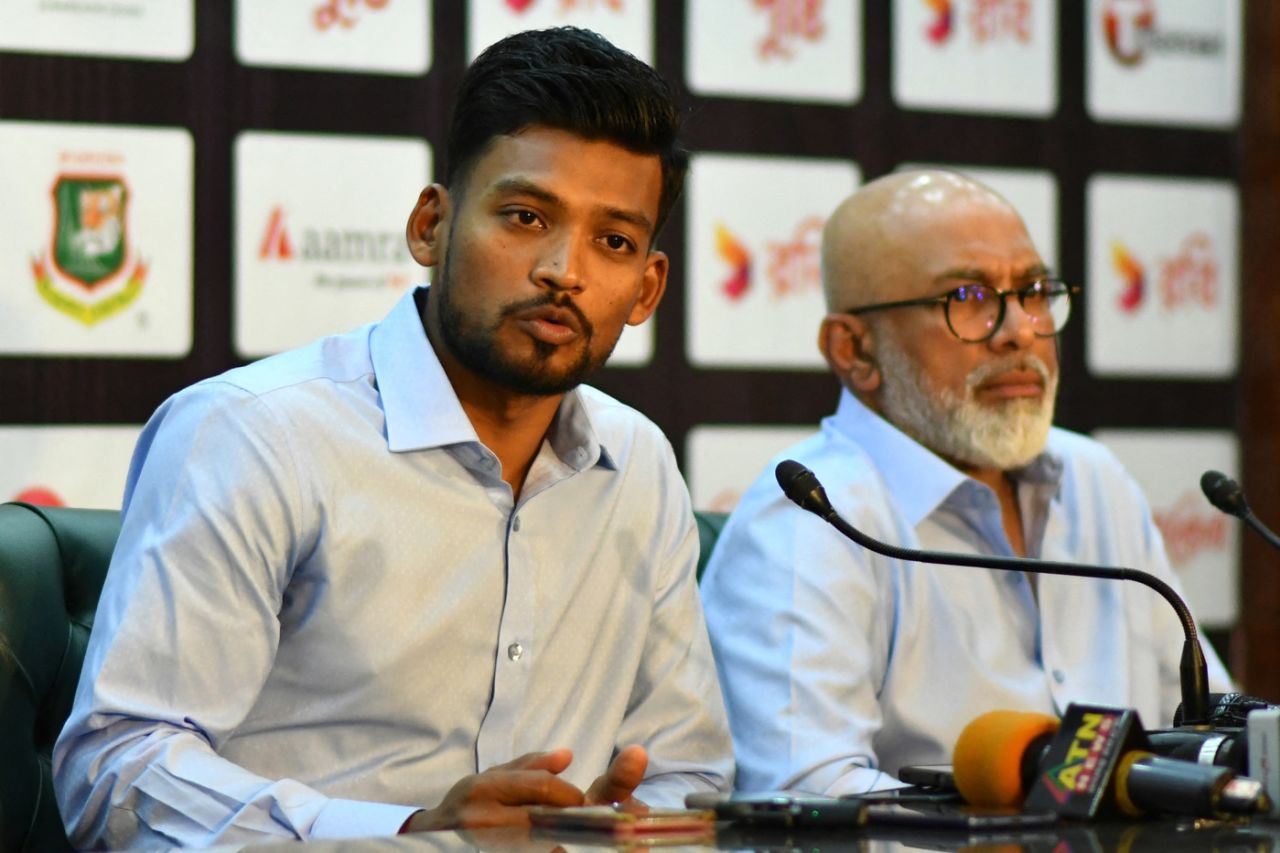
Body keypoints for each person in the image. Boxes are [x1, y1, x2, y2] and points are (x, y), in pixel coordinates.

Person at [54, 27, 732, 848]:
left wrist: (619, 831)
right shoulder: (256, 433)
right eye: (525, 216)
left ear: (647, 287)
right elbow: (119, 772)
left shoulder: (640, 464)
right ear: (430, 226)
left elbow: (687, 771)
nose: (565, 268)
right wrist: (408, 833)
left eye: (613, 241)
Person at [698, 169, 1232, 796]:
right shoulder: (810, 520)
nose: (1019, 331)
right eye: (968, 299)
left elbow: (1207, 723)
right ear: (854, 351)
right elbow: (808, 794)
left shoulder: (1095, 479)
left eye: (1034, 291)